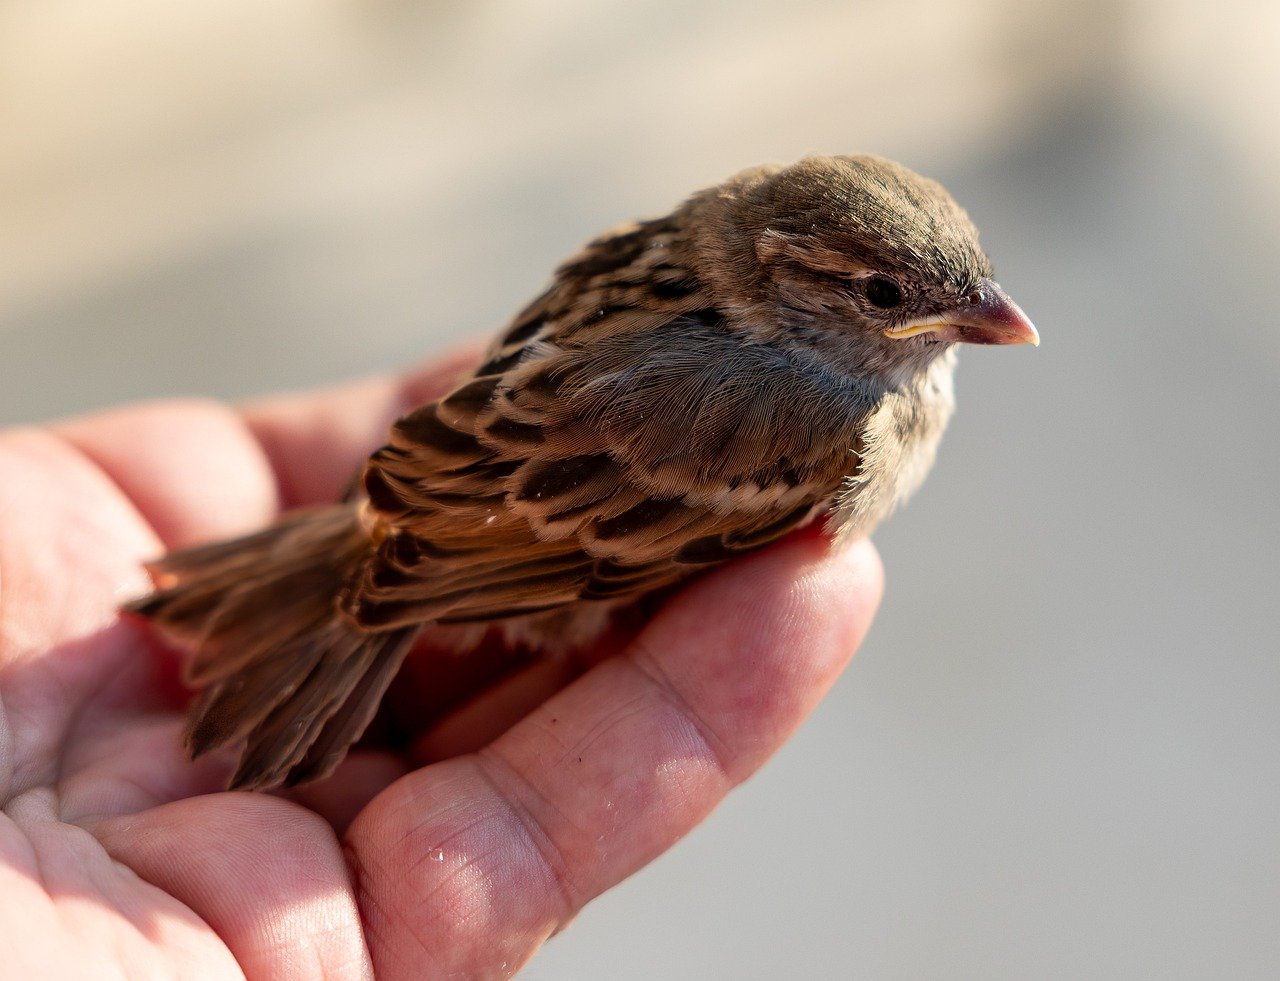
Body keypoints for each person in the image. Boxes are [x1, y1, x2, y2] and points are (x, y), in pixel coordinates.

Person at [0, 349, 882, 977]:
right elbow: (577, 544)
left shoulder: (657, 269)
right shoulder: (810, 427)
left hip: (448, 491)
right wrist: (391, 582)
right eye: (882, 297)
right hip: (494, 550)